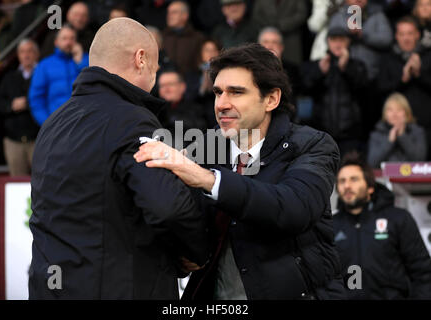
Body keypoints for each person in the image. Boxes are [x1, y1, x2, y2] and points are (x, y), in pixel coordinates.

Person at [134, 43, 347, 300]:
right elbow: (183, 223)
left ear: (271, 99)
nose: (222, 104)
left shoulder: (313, 145)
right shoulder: (202, 147)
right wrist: (181, 252)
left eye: (236, 92)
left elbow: (293, 209)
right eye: (218, 92)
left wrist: (209, 180)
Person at [28, 18, 208, 299]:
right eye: (156, 66)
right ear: (141, 59)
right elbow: (167, 207)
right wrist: (197, 251)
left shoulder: (52, 123)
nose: (156, 76)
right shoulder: (132, 120)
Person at [333, 153, 431, 299]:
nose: (347, 186)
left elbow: (423, 273)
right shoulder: (330, 226)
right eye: (341, 181)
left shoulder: (398, 218)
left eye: (354, 179)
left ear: (370, 188)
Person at [301, 26, 367, 157]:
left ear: (348, 42)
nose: (338, 44)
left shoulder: (357, 65)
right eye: (334, 40)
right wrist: (319, 72)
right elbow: (304, 89)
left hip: (350, 136)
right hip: (322, 134)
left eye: (341, 40)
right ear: (328, 42)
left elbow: (364, 91)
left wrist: (346, 69)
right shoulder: (318, 65)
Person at [377, 16, 431, 159]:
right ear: (396, 36)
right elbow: (379, 90)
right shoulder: (387, 59)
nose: (406, 38)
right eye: (402, 34)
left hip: (427, 127)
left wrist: (419, 75)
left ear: (417, 35)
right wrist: (403, 80)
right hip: (394, 129)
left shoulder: (428, 57)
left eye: (410, 33)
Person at [0, 39, 40, 176]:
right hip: (13, 140)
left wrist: (28, 102)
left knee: (43, 179)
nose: (26, 55)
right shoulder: (9, 77)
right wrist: (11, 106)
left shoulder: (42, 74)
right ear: (18, 55)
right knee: (17, 183)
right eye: (22, 52)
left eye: (29, 51)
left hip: (38, 138)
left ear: (36, 54)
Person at [28, 25, 89, 126]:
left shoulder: (85, 60)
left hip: (84, 123)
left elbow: (93, 84)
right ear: (56, 42)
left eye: (72, 38)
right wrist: (47, 124)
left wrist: (80, 62)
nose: (69, 42)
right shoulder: (45, 65)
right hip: (58, 124)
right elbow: (36, 99)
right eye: (64, 38)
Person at [367, 93, 427, 168]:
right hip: (383, 178)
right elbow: (372, 163)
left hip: (412, 177)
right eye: (390, 110)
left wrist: (402, 136)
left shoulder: (417, 132)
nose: (394, 114)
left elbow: (420, 160)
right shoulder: (377, 134)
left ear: (406, 112)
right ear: (385, 114)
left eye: (399, 110)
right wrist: (389, 141)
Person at [252, 0, 309, 65]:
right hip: (266, 33)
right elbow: (256, 15)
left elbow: (302, 14)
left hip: (291, 40)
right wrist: (270, 28)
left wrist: (281, 25)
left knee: (291, 70)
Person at [258, 27, 301, 105]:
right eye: (265, 42)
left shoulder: (293, 70)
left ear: (281, 47)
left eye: (274, 42)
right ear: (258, 47)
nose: (270, 46)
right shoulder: (251, 68)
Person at [157, 70, 207, 135]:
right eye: (162, 85)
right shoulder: (155, 111)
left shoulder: (196, 109)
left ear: (182, 86)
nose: (166, 89)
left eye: (170, 84)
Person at [162, 1, 205, 75]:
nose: (169, 15)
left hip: (191, 82)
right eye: (168, 12)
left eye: (174, 12)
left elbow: (200, 63)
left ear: (185, 15)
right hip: (167, 81)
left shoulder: (198, 38)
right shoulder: (162, 36)